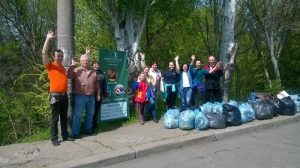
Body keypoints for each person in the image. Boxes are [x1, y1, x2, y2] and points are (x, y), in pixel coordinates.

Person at [42, 31, 73, 146]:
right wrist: (48, 39)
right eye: (58, 56)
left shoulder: (63, 68)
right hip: (55, 96)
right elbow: (44, 53)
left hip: (65, 96)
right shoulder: (50, 66)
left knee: (64, 117)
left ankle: (65, 136)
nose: (60, 57)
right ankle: (54, 139)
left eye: (61, 56)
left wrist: (72, 65)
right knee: (55, 119)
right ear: (54, 57)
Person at [68, 49, 101, 138]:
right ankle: (75, 133)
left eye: (87, 60)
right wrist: (72, 65)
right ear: (80, 61)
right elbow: (69, 76)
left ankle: (88, 130)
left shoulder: (93, 71)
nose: (85, 62)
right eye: (83, 60)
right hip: (80, 96)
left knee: (90, 114)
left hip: (91, 96)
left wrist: (98, 94)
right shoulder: (76, 70)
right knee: (78, 115)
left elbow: (97, 84)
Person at [92, 61, 107, 132]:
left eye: (97, 65)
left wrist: (104, 95)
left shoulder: (102, 74)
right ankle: (90, 125)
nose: (96, 66)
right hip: (90, 95)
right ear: (92, 66)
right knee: (90, 111)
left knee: (96, 110)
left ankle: (94, 125)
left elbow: (104, 85)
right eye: (95, 65)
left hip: (99, 95)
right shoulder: (89, 72)